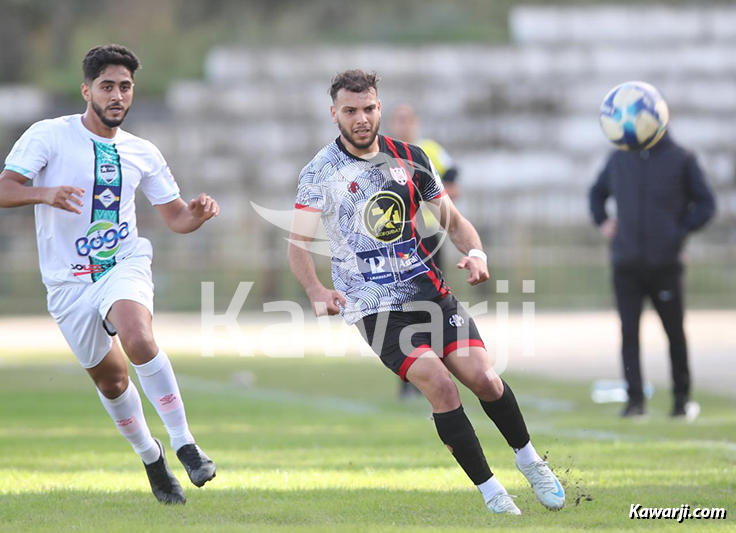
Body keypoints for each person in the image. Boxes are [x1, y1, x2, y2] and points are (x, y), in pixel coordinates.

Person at [287, 69, 565, 515]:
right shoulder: (320, 172)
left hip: (429, 292)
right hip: (373, 307)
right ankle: (492, 491)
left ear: (379, 108)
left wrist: (476, 253)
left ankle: (530, 461)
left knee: (484, 379)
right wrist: (316, 288)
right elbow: (298, 243)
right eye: (350, 110)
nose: (361, 118)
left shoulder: (410, 157)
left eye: (369, 108)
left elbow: (451, 219)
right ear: (334, 113)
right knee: (440, 385)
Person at [0, 44, 218, 504]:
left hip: (123, 263)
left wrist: (196, 213)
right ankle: (152, 458)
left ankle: (185, 444)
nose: (117, 95)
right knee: (113, 381)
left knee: (138, 337)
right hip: (66, 283)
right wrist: (44, 194)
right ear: (87, 90)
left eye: (125, 87)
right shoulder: (49, 135)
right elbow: (5, 189)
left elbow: (175, 217)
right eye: (107, 87)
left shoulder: (143, 152)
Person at [589, 129, 716, 419]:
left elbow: (707, 204)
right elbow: (596, 194)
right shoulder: (620, 158)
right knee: (629, 332)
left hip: (665, 265)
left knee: (674, 333)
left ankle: (681, 401)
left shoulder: (682, 158)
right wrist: (603, 220)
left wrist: (678, 232)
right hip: (626, 265)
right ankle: (635, 402)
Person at [390, 104, 461, 400]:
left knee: (431, 303)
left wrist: (429, 196)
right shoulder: (386, 155)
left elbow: (454, 185)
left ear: (416, 123)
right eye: (399, 120)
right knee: (403, 304)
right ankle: (409, 380)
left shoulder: (428, 150)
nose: (404, 125)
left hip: (428, 239)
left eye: (409, 120)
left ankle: (438, 371)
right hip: (398, 240)